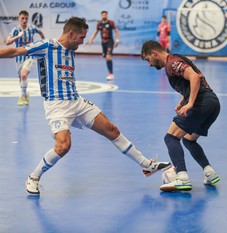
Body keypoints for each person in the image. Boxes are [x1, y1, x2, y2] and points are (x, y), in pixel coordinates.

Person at [0, 17, 171, 196]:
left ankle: (146, 165)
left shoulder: (71, 50)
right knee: (63, 146)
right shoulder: (47, 46)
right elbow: (15, 51)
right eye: (81, 37)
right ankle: (34, 177)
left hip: (77, 101)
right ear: (71, 33)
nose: (83, 42)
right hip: (56, 105)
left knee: (111, 129)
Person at [141, 40, 220, 192]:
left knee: (170, 137)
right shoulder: (174, 61)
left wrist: (190, 103)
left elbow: (194, 77)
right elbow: (191, 83)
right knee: (189, 141)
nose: (149, 64)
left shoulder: (172, 63)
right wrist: (183, 101)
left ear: (154, 53)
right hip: (213, 103)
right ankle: (209, 172)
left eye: (148, 59)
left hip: (201, 103)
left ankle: (182, 178)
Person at [6, 10, 45, 106]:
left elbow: (40, 33)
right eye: (22, 18)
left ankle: (22, 96)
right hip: (19, 57)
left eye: (26, 18)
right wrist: (17, 37)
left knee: (24, 75)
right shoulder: (16, 30)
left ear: (28, 19)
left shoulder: (32, 28)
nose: (24, 20)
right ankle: (26, 94)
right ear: (19, 18)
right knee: (21, 79)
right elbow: (7, 42)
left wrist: (43, 42)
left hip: (30, 55)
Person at [88, 10, 119, 81]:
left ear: (107, 15)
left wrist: (117, 40)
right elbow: (96, 32)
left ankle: (111, 74)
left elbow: (116, 31)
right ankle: (110, 72)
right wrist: (91, 39)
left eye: (105, 15)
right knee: (106, 58)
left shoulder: (111, 23)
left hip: (110, 42)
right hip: (103, 43)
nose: (104, 16)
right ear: (101, 16)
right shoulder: (99, 24)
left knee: (108, 57)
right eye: (103, 15)